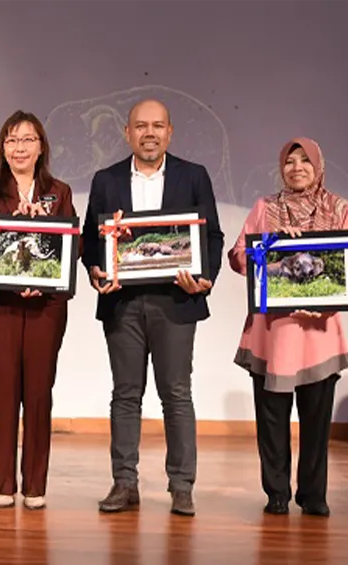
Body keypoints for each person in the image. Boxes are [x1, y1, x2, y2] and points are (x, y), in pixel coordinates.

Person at [80, 99, 224, 517]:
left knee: (176, 394)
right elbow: (91, 239)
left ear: (169, 132)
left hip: (176, 301)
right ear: (127, 133)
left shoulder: (193, 176)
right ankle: (125, 483)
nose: (149, 133)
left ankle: (182, 486)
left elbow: (211, 236)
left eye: (157, 126)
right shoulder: (106, 179)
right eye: (141, 126)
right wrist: (96, 269)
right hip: (122, 302)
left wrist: (205, 276)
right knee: (125, 395)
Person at [228, 138, 348, 517]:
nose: (296, 168)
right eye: (289, 161)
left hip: (319, 333)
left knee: (316, 421)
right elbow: (237, 256)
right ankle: (277, 493)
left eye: (304, 161)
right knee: (271, 419)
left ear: (318, 166)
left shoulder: (340, 209)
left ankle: (313, 495)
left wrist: (325, 299)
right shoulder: (265, 208)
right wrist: (271, 243)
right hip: (272, 334)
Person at [0, 111, 76, 510]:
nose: (20, 148)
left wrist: (45, 234)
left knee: (39, 393)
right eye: (12, 140)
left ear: (41, 147)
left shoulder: (59, 193)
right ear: (3, 147)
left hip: (45, 307)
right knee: (3, 391)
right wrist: (12, 229)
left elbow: (72, 246)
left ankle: (34, 485)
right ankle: (2, 483)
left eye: (28, 140)